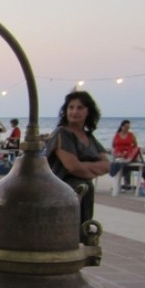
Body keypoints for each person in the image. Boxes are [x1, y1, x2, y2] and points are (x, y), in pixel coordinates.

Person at [45, 90, 110, 239]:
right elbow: (73, 167)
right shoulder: (62, 133)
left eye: (80, 108)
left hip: (84, 196)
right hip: (62, 195)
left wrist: (84, 166)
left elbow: (106, 165)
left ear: (88, 111)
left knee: (81, 236)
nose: (74, 111)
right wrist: (91, 168)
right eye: (71, 107)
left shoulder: (88, 137)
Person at [111, 119, 141, 189]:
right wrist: (117, 153)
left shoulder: (131, 135)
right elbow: (113, 145)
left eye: (128, 127)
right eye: (126, 127)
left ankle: (127, 183)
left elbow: (135, 146)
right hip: (118, 155)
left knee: (127, 165)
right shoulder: (117, 135)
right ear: (122, 126)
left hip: (128, 155)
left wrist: (129, 152)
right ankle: (119, 183)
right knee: (118, 164)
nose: (127, 128)